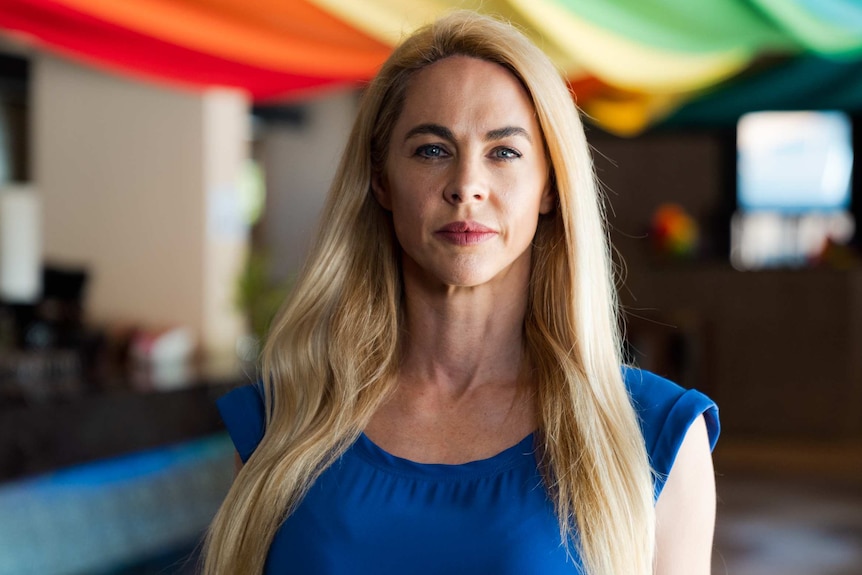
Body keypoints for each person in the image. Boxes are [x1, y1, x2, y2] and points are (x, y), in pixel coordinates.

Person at [204, 10, 719, 575]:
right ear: (381, 180)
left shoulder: (654, 432)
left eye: (504, 152)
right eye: (431, 149)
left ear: (549, 186)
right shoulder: (285, 418)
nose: (466, 186)